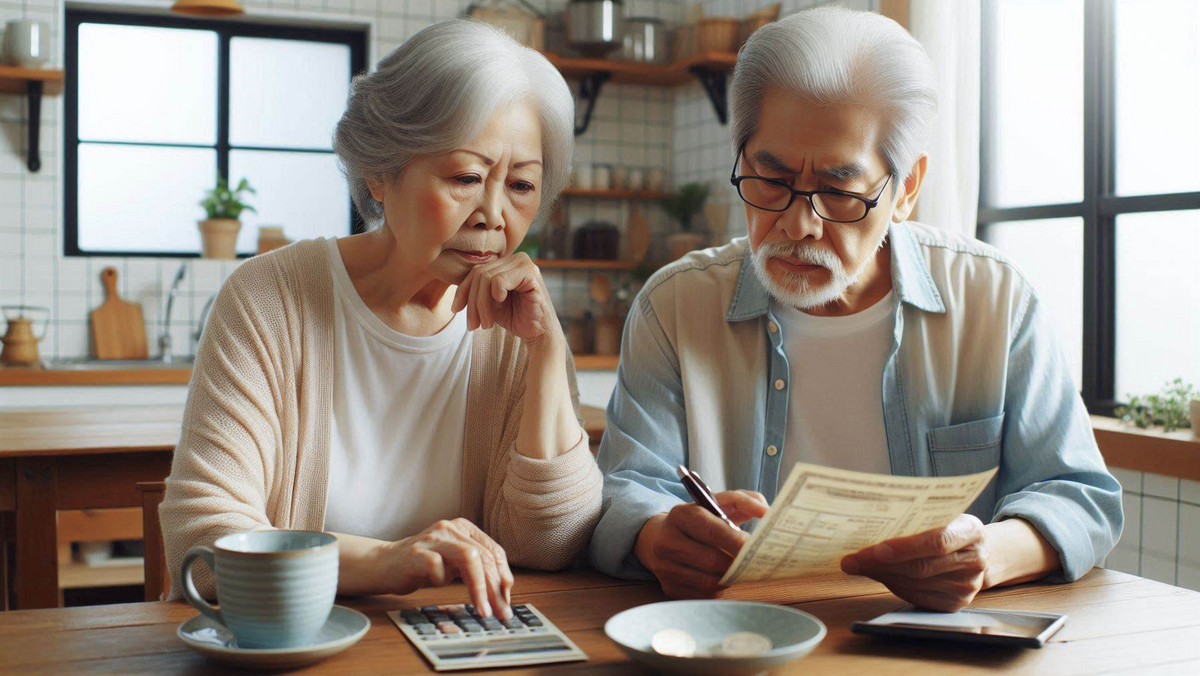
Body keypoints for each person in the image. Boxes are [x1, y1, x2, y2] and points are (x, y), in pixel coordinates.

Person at [588, 7, 1121, 611]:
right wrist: (660, 538)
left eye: (840, 192)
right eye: (770, 180)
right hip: (733, 637)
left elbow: (1080, 496)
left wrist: (990, 556)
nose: (798, 223)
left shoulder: (994, 299)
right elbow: (625, 490)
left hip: (932, 643)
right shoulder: (676, 306)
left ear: (908, 188)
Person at [161, 19, 602, 620]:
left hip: (456, 644)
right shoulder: (269, 300)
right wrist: (387, 561)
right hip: (291, 648)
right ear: (380, 172)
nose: (493, 215)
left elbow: (548, 545)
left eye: (522, 185)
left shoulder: (517, 328)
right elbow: (203, 543)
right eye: (466, 178)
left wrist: (548, 352)